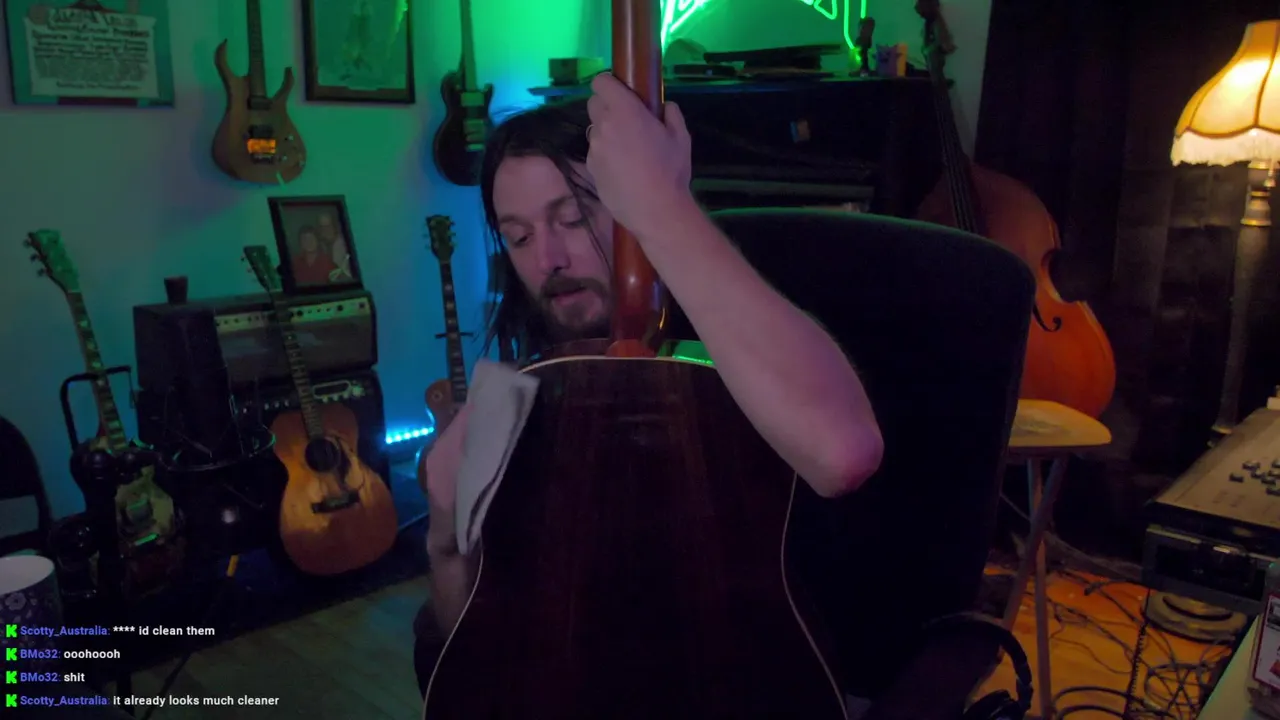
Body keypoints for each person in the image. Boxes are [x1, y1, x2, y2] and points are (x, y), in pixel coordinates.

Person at [416, 73, 884, 685]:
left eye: (574, 217)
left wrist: (666, 206)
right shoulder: (528, 383)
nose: (547, 260)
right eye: (519, 236)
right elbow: (471, 654)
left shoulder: (744, 340)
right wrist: (447, 547)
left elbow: (844, 453)